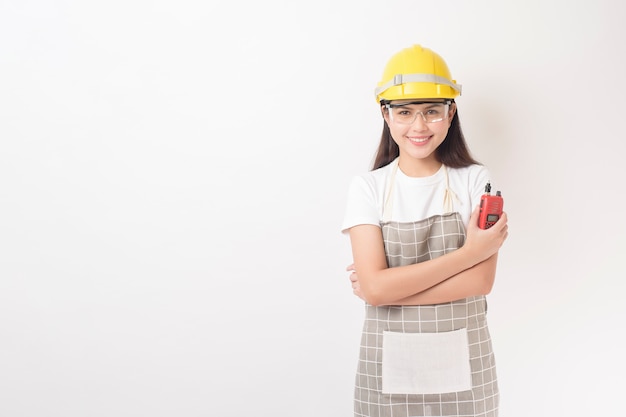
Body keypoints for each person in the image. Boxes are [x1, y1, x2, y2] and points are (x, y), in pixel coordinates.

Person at [341, 45, 509, 417]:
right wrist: (468, 255)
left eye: (432, 111)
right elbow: (376, 287)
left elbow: (480, 282)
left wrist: (385, 291)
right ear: (385, 115)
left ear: (451, 112)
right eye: (404, 112)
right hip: (387, 376)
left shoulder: (475, 181)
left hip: (466, 373)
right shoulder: (367, 188)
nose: (418, 126)